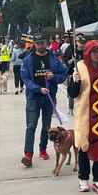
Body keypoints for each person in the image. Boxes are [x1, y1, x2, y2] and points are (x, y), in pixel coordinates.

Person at [67, 40, 98, 194]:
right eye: (94, 51)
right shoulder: (79, 68)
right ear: (88, 53)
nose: (97, 54)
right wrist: (75, 81)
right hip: (85, 115)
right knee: (83, 146)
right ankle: (83, 179)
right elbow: (73, 93)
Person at [20, 33, 67, 167]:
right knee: (31, 126)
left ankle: (43, 149)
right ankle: (28, 154)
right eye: (38, 43)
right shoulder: (28, 60)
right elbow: (25, 78)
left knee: (46, 126)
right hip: (33, 97)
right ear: (34, 45)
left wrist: (54, 77)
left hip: (49, 97)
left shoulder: (54, 59)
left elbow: (63, 73)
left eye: (43, 43)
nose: (41, 45)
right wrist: (37, 88)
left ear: (46, 43)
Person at [62, 33, 85, 114]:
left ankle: (82, 108)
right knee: (71, 91)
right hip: (73, 72)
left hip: (84, 73)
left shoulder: (86, 49)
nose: (80, 40)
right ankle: (70, 109)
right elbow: (65, 60)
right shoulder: (71, 48)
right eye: (78, 38)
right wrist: (72, 59)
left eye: (81, 38)